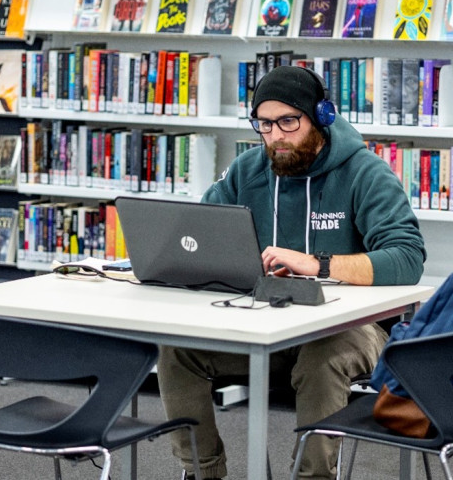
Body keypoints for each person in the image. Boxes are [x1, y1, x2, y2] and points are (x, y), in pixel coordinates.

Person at [157, 65, 426, 480]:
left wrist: (317, 264)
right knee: (177, 351)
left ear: (321, 117)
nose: (276, 136)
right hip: (265, 323)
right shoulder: (248, 171)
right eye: (264, 124)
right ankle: (203, 471)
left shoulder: (364, 172)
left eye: (288, 121)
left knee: (322, 361)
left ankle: (311, 476)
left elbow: (408, 258)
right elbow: (198, 230)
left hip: (351, 330)